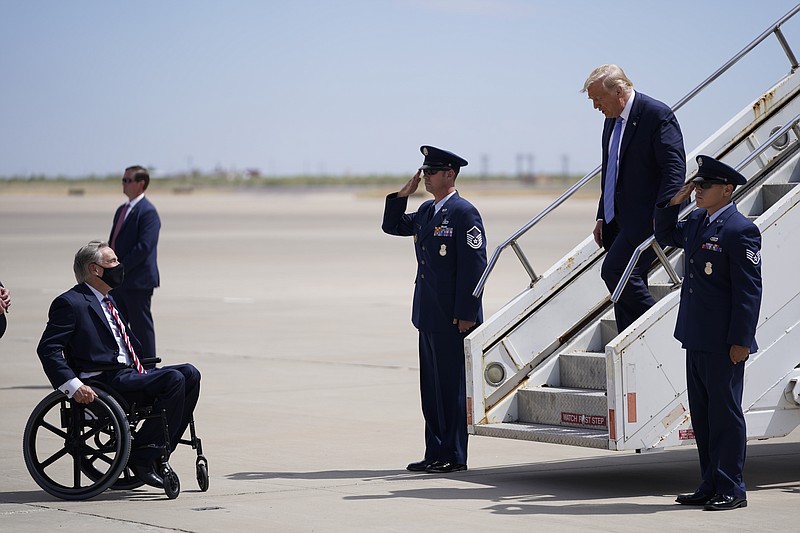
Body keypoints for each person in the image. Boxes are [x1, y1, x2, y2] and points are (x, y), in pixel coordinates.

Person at [37, 240, 201, 489]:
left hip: (129, 374)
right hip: (104, 381)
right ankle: (143, 456)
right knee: (173, 380)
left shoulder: (109, 301)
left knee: (190, 373)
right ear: (94, 269)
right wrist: (72, 386)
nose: (119, 266)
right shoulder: (71, 303)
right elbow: (48, 349)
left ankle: (155, 452)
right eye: (112, 261)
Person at [654, 155, 762, 511]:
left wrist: (741, 341)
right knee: (702, 415)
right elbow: (666, 233)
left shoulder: (740, 229)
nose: (697, 191)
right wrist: (674, 202)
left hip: (724, 341)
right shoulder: (699, 220)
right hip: (696, 335)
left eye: (705, 186)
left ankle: (732, 487)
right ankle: (710, 482)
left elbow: (748, 292)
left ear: (727, 190)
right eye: (696, 185)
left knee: (725, 415)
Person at [382, 145, 487, 474]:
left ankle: (454, 455)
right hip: (428, 313)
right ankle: (434, 452)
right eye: (424, 171)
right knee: (432, 389)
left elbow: (475, 266)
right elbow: (393, 225)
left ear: (450, 174)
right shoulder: (427, 211)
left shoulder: (464, 213)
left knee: (451, 390)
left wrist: (467, 311)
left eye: (432, 172)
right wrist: (403, 194)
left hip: (454, 317)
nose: (425, 176)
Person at [582, 64, 686, 332]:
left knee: (614, 272)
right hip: (617, 220)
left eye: (598, 99)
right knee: (625, 287)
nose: (595, 107)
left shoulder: (655, 115)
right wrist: (602, 215)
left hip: (645, 218)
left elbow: (674, 169)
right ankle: (633, 344)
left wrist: (663, 216)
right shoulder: (611, 120)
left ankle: (661, 331)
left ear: (619, 91)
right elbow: (611, 170)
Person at [109, 165, 161, 359]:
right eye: (123, 180)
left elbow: (144, 247)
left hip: (138, 281)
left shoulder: (148, 212)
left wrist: (120, 268)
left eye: (128, 180)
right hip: (118, 280)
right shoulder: (122, 210)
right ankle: (124, 364)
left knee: (141, 327)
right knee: (117, 326)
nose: (124, 184)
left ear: (141, 184)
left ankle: (148, 367)